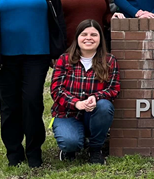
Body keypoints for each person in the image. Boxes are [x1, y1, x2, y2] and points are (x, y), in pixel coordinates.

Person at [0, 0, 67, 168]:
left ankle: (34, 151)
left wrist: (55, 52)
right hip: (5, 57)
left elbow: (57, 19)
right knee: (9, 106)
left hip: (37, 56)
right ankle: (13, 152)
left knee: (32, 102)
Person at [50, 19, 121, 165]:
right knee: (71, 142)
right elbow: (56, 90)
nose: (89, 38)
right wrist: (77, 104)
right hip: (67, 113)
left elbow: (114, 89)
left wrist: (96, 97)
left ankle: (95, 149)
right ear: (77, 38)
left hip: (94, 111)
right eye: (84, 34)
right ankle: (71, 146)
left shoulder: (109, 60)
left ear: (100, 38)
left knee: (104, 106)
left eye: (94, 34)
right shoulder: (64, 59)